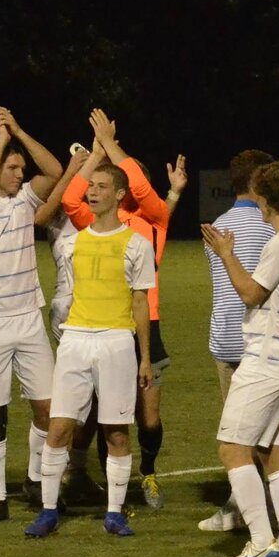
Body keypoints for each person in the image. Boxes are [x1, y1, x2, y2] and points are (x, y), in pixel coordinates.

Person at [27, 147, 158, 539]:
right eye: (91, 186)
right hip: (75, 340)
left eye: (102, 186)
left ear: (120, 195)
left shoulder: (137, 244)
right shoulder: (71, 243)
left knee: (117, 432)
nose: (93, 192)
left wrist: (145, 359)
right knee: (58, 428)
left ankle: (114, 513)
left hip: (118, 342)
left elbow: (140, 303)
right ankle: (49, 510)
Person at [204, 161, 279, 557]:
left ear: (266, 198)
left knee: (232, 449)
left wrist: (226, 255)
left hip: (268, 359)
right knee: (274, 450)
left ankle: (259, 542)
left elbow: (251, 293)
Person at [59, 110, 179, 501]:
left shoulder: (154, 219)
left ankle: (148, 472)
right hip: (106, 328)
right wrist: (96, 155)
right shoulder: (94, 222)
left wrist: (111, 144)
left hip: (148, 324)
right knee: (106, 414)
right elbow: (69, 198)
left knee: (148, 416)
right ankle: (112, 488)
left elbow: (145, 190)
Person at [0, 108, 67, 524]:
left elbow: (54, 170)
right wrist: (1, 142)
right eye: (13, 168)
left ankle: (36, 480)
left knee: (49, 407)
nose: (21, 174)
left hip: (26, 319)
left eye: (22, 167)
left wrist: (18, 131)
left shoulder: (25, 199)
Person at [204, 149, 277, 400]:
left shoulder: (216, 226)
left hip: (225, 340)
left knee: (233, 431)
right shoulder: (273, 226)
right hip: (260, 343)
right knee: (266, 431)